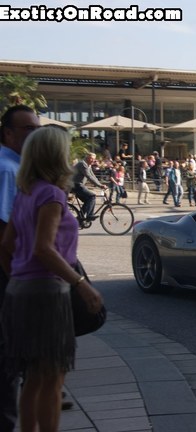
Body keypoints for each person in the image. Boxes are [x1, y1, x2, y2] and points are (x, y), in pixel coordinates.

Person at [0, 126, 103, 432]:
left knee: (33, 378)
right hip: (47, 294)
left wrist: (19, 277)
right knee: (52, 378)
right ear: (56, 155)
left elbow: (6, 246)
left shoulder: (26, 191)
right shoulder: (51, 194)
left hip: (21, 291)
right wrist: (81, 284)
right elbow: (44, 248)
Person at [0, 105, 40, 432]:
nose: (33, 134)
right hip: (11, 279)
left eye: (35, 128)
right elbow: (6, 235)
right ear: (8, 134)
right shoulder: (7, 170)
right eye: (27, 129)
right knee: (8, 358)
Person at [71, 153, 108, 220]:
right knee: (92, 196)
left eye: (94, 159)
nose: (93, 160)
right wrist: (100, 185)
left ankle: (79, 218)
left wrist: (100, 184)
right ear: (87, 157)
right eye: (91, 158)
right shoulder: (82, 164)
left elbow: (93, 176)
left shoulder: (89, 165)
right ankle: (89, 215)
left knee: (88, 201)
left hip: (79, 185)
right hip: (75, 185)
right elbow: (89, 176)